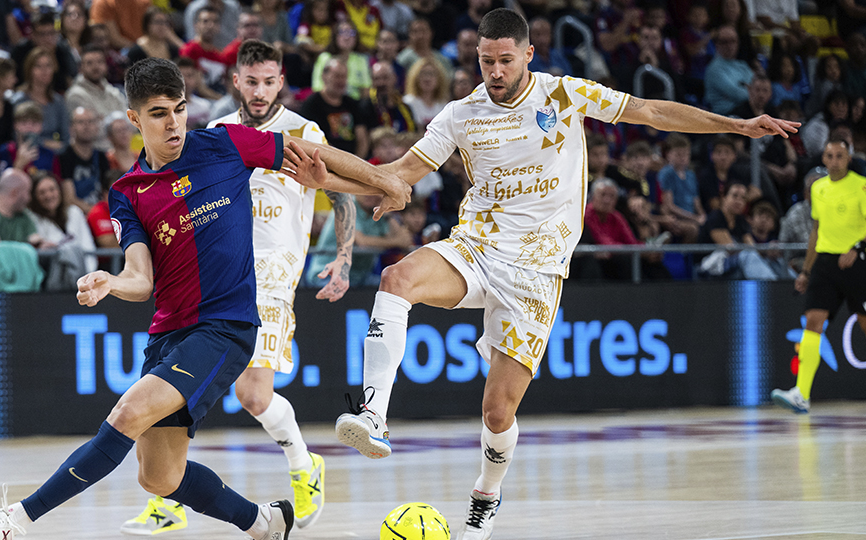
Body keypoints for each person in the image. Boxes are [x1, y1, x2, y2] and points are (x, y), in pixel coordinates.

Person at [325, 9, 798, 540]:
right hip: (475, 246)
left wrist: (734, 125)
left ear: (528, 55)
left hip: (536, 272)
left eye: (505, 60)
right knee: (396, 280)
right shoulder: (461, 114)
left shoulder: (563, 95)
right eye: (486, 61)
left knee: (498, 414)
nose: (495, 72)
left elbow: (647, 112)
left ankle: (486, 493)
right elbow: (397, 174)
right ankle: (373, 416)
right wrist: (329, 175)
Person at [0, 55, 409, 540]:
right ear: (134, 119)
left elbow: (313, 156)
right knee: (158, 476)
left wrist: (385, 179)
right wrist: (110, 283)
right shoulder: (127, 193)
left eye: (178, 109)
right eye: (158, 113)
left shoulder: (223, 144)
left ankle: (16, 520)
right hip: (167, 336)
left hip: (224, 327)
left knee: (127, 414)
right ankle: (266, 521)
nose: (173, 122)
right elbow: (140, 279)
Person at [122, 39, 357, 535]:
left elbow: (337, 191)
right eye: (251, 81)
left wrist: (343, 255)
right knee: (179, 389)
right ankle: (169, 494)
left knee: (252, 394)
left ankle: (302, 464)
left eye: (269, 81)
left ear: (281, 83)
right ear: (236, 81)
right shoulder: (213, 133)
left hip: (274, 273)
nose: (260, 91)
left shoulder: (302, 131)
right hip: (218, 274)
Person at [771, 137, 866, 414]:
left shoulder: (861, 187)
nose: (834, 161)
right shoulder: (819, 189)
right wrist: (806, 271)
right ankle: (801, 393)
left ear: (848, 159)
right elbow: (816, 230)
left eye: (839, 156)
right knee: (812, 321)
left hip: (856, 262)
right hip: (825, 262)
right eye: (829, 156)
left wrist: (859, 248)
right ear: (823, 159)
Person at [27, 170, 98, 274]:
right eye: (42, 192)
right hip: (53, 278)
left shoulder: (74, 212)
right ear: (35, 197)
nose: (48, 195)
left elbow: (88, 246)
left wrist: (88, 276)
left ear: (59, 190)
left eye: (52, 189)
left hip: (83, 276)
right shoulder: (32, 219)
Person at [300, 57, 370, 157]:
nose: (341, 81)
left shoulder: (352, 104)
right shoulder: (311, 104)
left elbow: (362, 138)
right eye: (337, 76)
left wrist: (358, 163)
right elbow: (311, 140)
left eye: (344, 77)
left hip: (353, 162)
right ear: (324, 77)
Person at [10, 47, 70, 151]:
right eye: (38, 66)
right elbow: (14, 136)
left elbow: (66, 139)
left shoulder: (58, 101)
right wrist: (45, 143)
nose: (44, 71)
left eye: (48, 66)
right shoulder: (18, 100)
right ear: (29, 70)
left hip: (55, 157)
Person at [60, 107, 110, 213]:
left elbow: (109, 192)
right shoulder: (64, 157)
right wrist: (97, 213)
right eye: (80, 122)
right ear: (71, 128)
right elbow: (69, 200)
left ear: (97, 127)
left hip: (101, 212)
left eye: (91, 122)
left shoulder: (102, 157)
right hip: (77, 215)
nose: (86, 126)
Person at [64, 45, 126, 125]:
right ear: (81, 67)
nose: (96, 67)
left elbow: (129, 121)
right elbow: (90, 128)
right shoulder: (75, 95)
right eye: (89, 63)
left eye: (100, 62)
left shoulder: (114, 92)